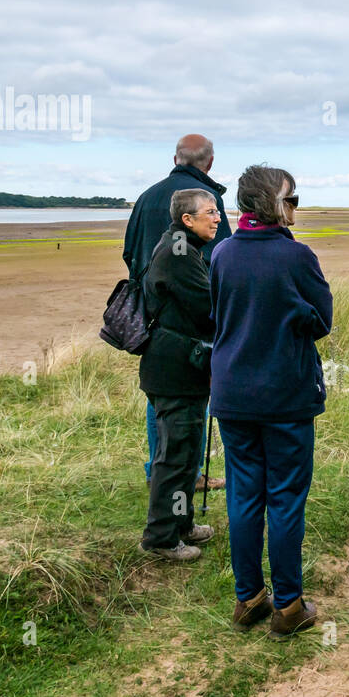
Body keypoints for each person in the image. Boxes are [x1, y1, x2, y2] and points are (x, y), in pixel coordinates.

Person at [210, 166, 332, 638]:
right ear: (273, 205)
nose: (297, 205)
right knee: (284, 499)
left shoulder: (221, 253)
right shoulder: (297, 257)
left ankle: (249, 599)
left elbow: (217, 316)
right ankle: (288, 605)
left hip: (233, 394)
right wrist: (293, 315)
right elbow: (321, 321)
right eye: (292, 198)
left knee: (243, 496)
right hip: (284, 396)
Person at [123, 134, 231, 487]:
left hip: (154, 319)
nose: (213, 219)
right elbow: (224, 256)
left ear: (175, 159)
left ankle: (165, 468)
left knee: (164, 401)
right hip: (191, 323)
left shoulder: (146, 197)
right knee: (187, 400)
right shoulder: (205, 200)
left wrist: (152, 292)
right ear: (210, 163)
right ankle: (181, 473)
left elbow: (130, 252)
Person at [138, 188, 220, 562]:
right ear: (187, 219)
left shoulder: (179, 245)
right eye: (210, 211)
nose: (217, 218)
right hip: (174, 370)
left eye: (217, 210)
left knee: (186, 453)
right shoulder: (180, 252)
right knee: (174, 456)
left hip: (177, 367)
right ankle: (160, 538)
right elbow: (208, 307)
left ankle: (181, 524)